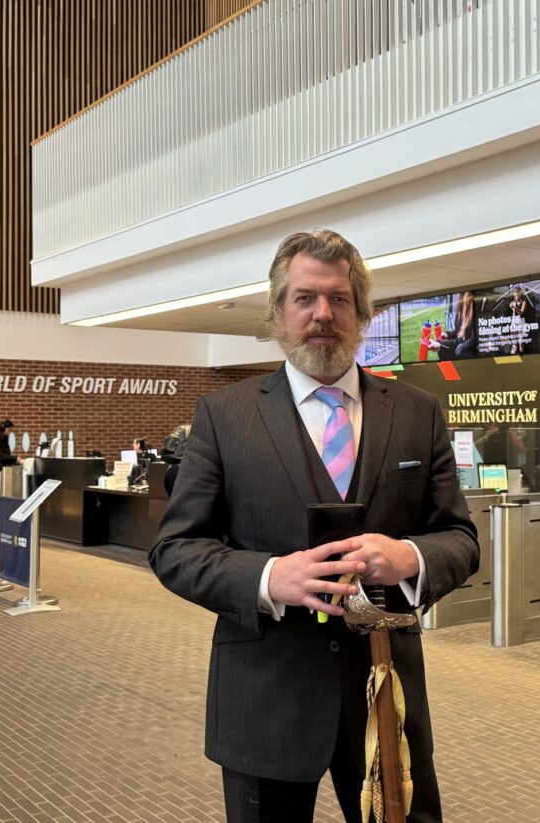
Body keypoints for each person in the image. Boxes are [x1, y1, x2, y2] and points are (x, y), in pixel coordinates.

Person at [149, 229, 479, 823]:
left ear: (361, 314)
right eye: (305, 299)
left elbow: (460, 539)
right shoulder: (224, 415)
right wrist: (269, 577)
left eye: (339, 299)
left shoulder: (417, 412)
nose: (323, 314)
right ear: (278, 312)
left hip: (385, 697)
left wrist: (411, 559)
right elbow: (175, 549)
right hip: (265, 701)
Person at [427, 290, 476, 360]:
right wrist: (447, 335)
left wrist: (441, 345)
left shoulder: (473, 302)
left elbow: (467, 342)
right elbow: (459, 332)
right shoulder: (461, 298)